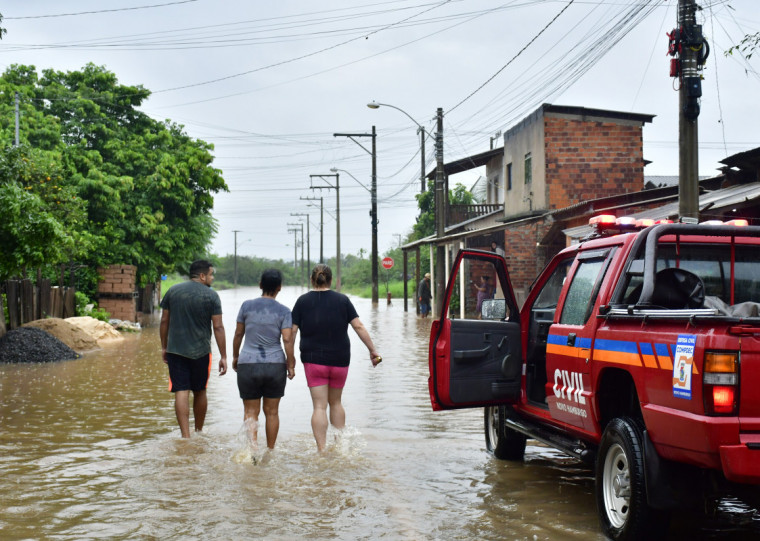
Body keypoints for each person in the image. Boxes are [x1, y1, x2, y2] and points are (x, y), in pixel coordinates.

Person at [291, 264, 381, 452]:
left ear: (311, 280)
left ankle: (322, 450)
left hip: (313, 360)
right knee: (336, 402)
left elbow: (291, 332)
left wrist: (289, 359)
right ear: (331, 281)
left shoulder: (302, 302)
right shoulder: (343, 300)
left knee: (319, 407)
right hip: (340, 359)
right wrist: (372, 350)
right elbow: (359, 327)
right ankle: (340, 447)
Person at [160, 259, 227, 438]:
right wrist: (224, 356)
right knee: (200, 390)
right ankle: (198, 431)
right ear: (202, 275)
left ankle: (185, 436)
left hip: (175, 351)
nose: (212, 278)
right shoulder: (211, 296)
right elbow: (218, 326)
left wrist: (164, 347)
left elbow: (164, 321)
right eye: (211, 274)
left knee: (181, 390)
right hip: (202, 352)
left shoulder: (172, 291)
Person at [232, 269, 295, 450]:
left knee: (250, 412)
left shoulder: (246, 306)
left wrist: (236, 356)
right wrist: (290, 364)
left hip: (248, 363)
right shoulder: (284, 311)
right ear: (279, 288)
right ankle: (270, 451)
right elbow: (287, 339)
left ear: (260, 285)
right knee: (272, 412)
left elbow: (238, 334)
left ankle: (252, 450)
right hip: (275, 365)